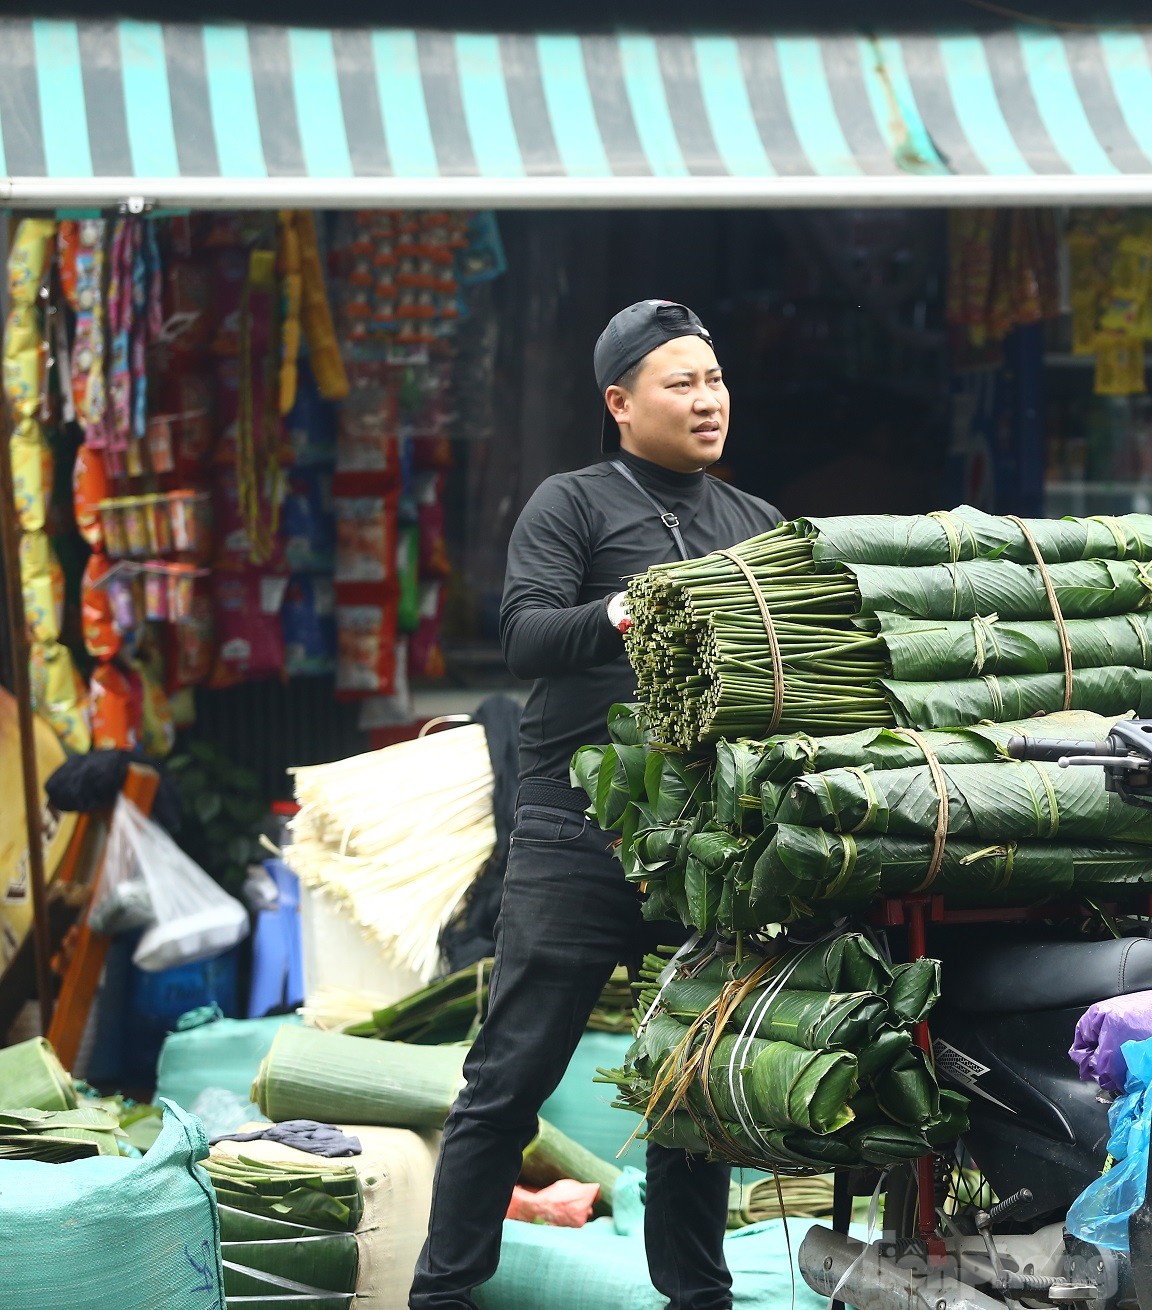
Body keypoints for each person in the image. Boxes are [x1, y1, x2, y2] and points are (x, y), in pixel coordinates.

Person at [411, 300, 781, 1310]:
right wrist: (629, 609)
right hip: (579, 824)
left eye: (714, 380)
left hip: (702, 837)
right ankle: (443, 1291)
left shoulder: (756, 527)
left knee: (692, 1077)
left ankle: (695, 1294)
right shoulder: (569, 503)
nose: (707, 401)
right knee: (512, 1073)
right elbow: (525, 634)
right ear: (620, 403)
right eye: (681, 383)